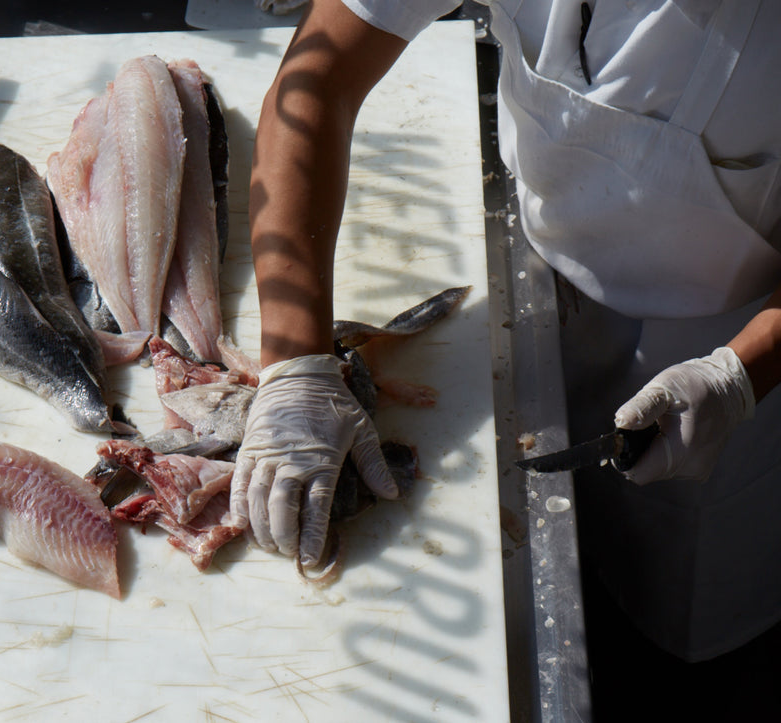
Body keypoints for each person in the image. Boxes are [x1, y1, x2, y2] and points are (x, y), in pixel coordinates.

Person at [229, 0, 781, 662]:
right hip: (538, 288)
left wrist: (742, 373)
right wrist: (294, 366)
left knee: (681, 607)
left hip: (733, 338)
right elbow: (317, 80)